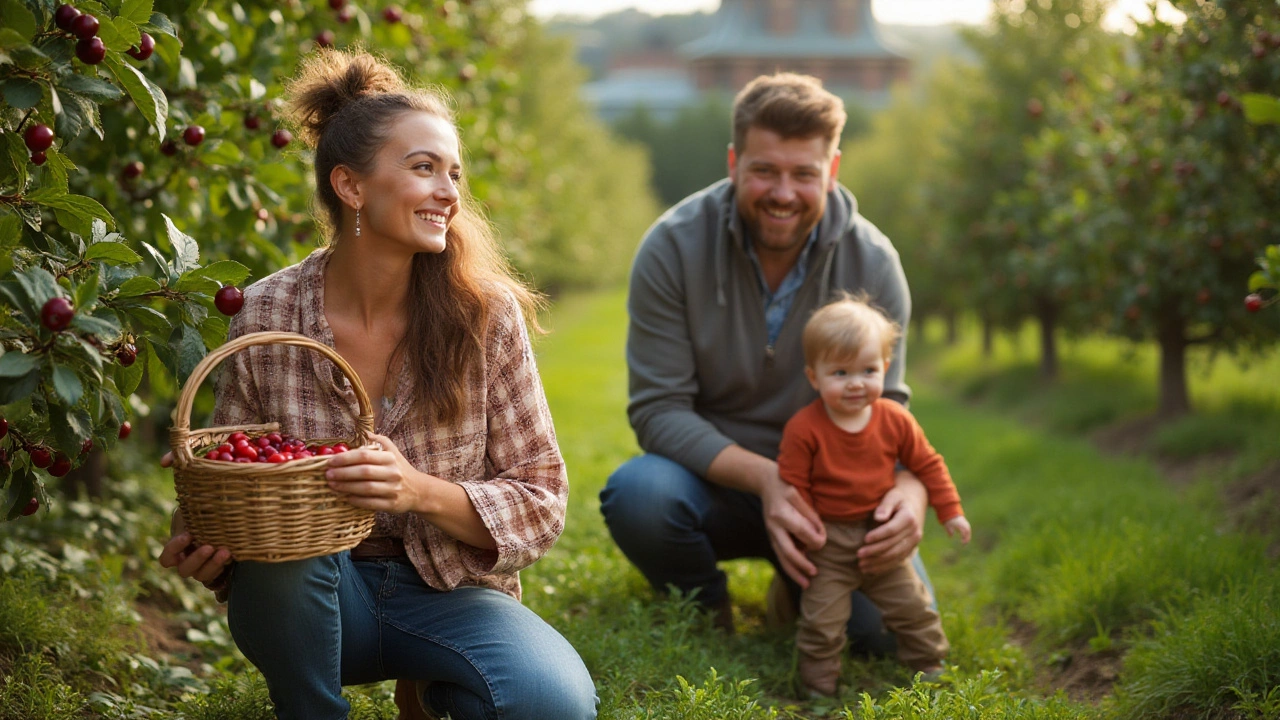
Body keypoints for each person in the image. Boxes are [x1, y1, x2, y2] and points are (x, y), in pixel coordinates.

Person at [157, 48, 596, 720]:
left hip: (452, 593)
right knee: (290, 551)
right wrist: (202, 525)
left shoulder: (486, 314)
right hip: (317, 597)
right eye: (424, 168)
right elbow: (235, 471)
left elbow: (542, 500)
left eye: (454, 172)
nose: (450, 191)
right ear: (352, 187)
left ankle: (433, 684)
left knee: (550, 705)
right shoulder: (266, 315)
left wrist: (420, 491)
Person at [599, 72, 932, 648]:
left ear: (831, 171)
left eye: (804, 174)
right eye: (764, 171)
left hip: (834, 495)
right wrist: (769, 480)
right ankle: (704, 608)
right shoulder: (673, 247)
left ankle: (796, 588)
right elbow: (658, 410)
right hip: (711, 482)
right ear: (734, 162)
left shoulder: (872, 262)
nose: (783, 192)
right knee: (640, 495)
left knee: (881, 640)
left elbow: (888, 413)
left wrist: (912, 490)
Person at [778, 295, 970, 696]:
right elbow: (794, 484)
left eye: (868, 370)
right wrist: (807, 531)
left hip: (880, 537)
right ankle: (818, 689)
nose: (856, 383)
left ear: (885, 368)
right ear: (814, 377)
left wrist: (950, 511)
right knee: (822, 622)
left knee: (914, 608)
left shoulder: (895, 419)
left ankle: (929, 666)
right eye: (840, 372)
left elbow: (927, 464)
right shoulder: (805, 428)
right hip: (828, 542)